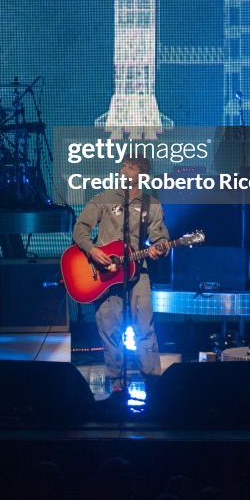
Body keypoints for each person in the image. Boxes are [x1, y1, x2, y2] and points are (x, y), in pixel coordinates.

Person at [71, 155, 169, 396]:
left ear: (142, 174)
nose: (124, 170)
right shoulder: (104, 198)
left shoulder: (151, 204)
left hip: (138, 272)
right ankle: (116, 383)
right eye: (123, 166)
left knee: (144, 328)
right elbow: (80, 228)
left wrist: (161, 248)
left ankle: (153, 384)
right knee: (108, 327)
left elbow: (160, 240)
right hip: (104, 276)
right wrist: (92, 250)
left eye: (130, 167)